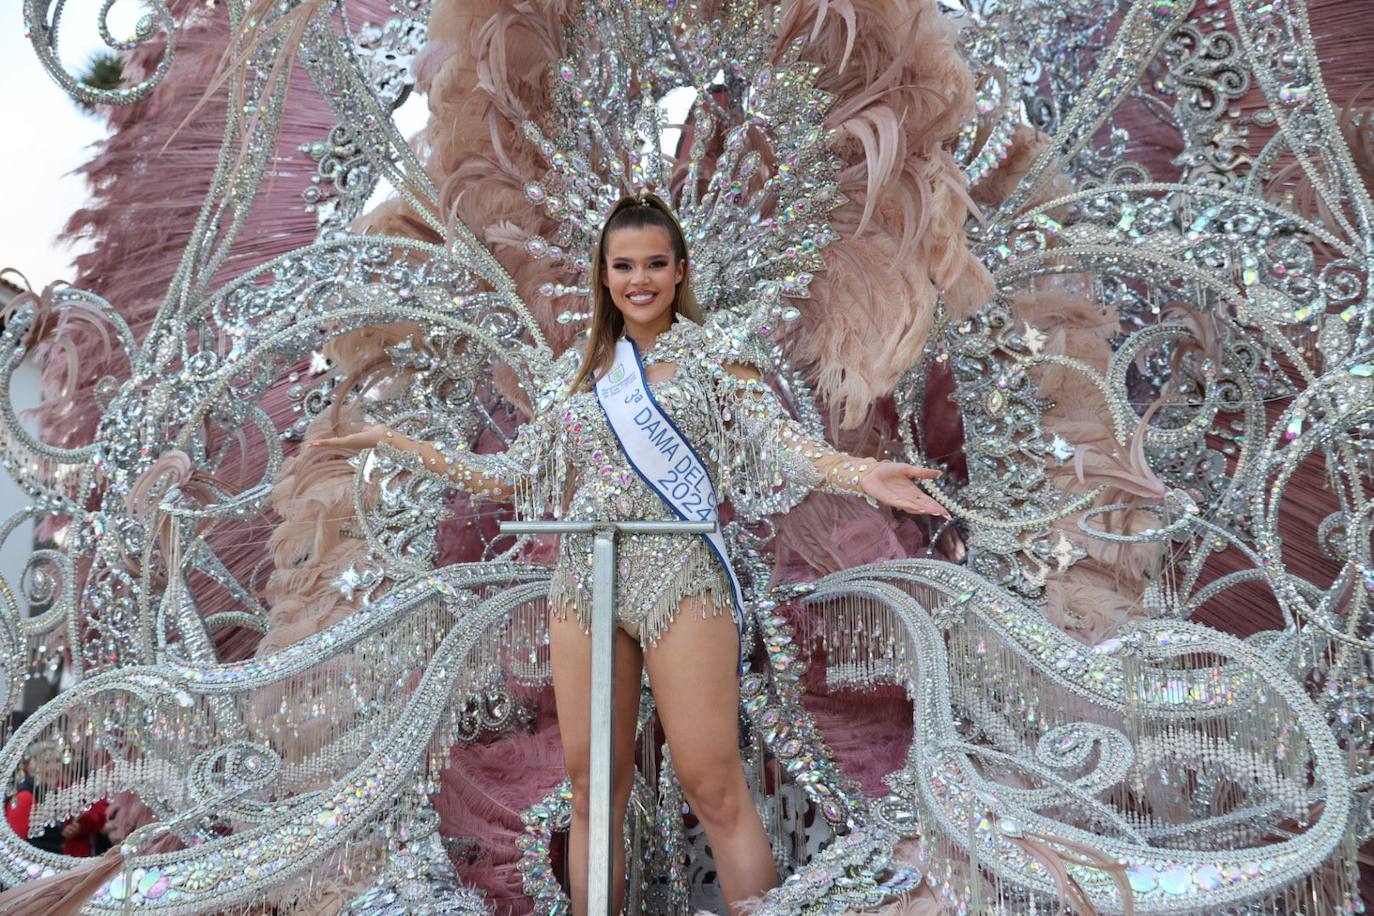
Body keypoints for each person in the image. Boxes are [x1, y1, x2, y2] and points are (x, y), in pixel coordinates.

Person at [313, 192, 949, 914]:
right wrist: (396, 444)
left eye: (654, 263)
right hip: (585, 581)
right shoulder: (582, 373)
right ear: (603, 275)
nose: (638, 279)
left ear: (679, 272)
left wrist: (863, 473)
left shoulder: (715, 358)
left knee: (712, 781)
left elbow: (780, 444)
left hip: (680, 577)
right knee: (592, 788)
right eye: (623, 266)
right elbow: (510, 474)